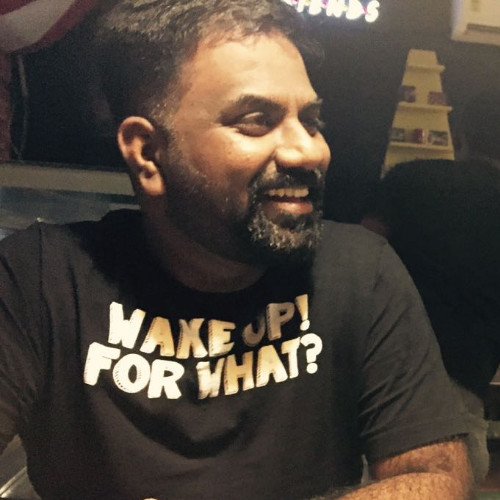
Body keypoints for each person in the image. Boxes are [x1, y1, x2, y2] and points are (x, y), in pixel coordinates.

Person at [0, 1, 472, 499]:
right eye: (256, 121)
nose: (310, 151)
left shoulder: (359, 271)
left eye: (311, 120)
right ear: (147, 152)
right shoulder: (40, 280)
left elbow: (436, 478)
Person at [362, 90, 500, 485]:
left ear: (459, 134)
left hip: (379, 373)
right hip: (460, 388)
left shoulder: (411, 178)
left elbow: (362, 251)